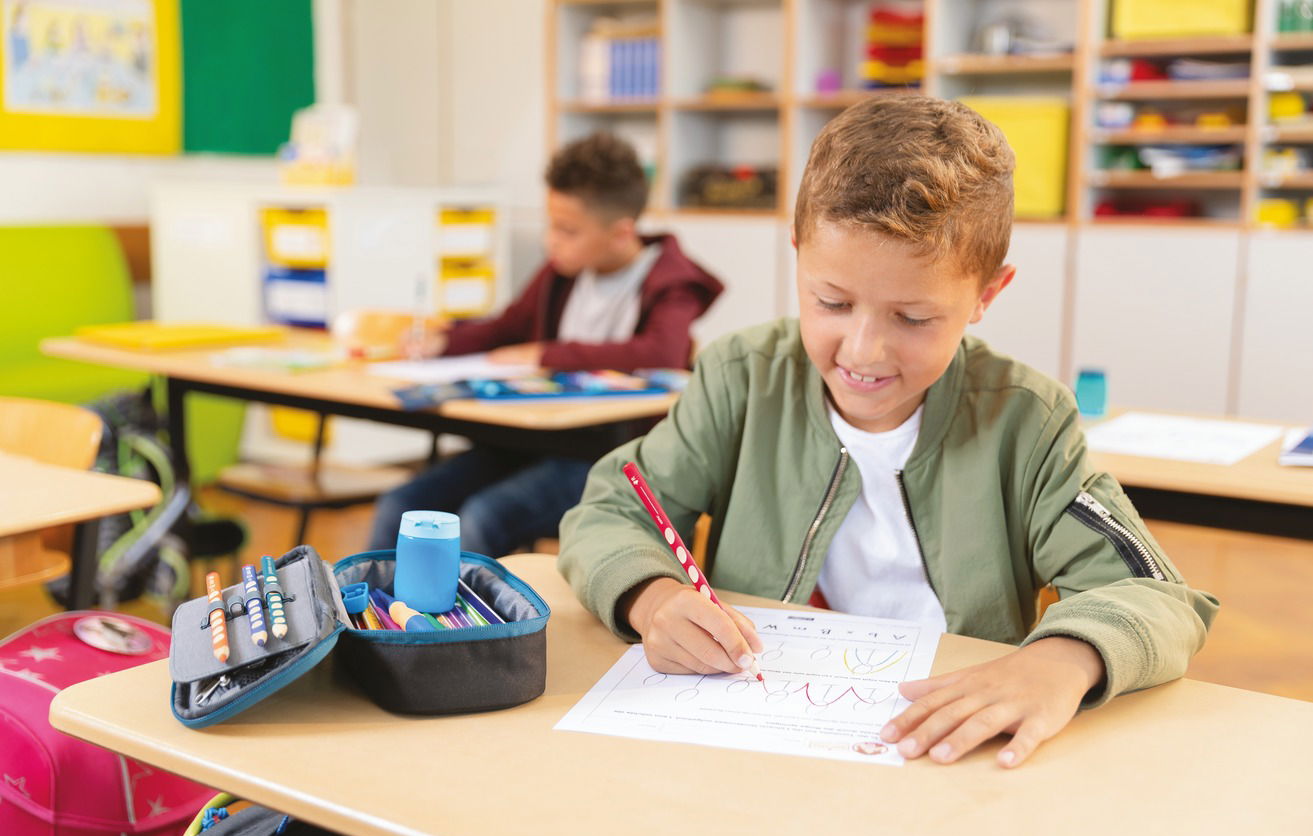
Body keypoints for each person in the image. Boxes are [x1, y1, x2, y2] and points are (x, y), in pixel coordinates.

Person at [558, 93, 1218, 769]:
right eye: (832, 302)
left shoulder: (1026, 421)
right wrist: (652, 599)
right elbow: (610, 511)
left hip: (949, 751)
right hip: (757, 736)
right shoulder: (743, 379)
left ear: (986, 294)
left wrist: (1059, 663)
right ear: (798, 256)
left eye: (913, 318)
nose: (863, 351)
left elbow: (1156, 596)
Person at [368, 132, 722, 555]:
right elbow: (506, 327)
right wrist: (442, 342)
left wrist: (547, 355)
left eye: (567, 230)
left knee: (483, 518)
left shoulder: (672, 282)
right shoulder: (563, 271)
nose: (550, 240)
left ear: (621, 232)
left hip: (611, 459)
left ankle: (475, 604)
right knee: (401, 506)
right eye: (550, 224)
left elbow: (661, 354)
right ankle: (372, 602)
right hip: (534, 444)